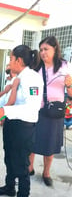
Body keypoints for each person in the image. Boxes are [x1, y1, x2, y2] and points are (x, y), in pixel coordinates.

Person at [0, 45, 43, 197]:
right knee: (9, 158)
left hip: (24, 127)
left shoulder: (32, 78)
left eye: (11, 58)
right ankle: (10, 186)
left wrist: (4, 110)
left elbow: (32, 108)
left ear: (19, 60)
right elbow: (6, 100)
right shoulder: (17, 78)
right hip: (11, 124)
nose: (9, 62)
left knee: (22, 166)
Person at [28, 36, 72, 186]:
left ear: (55, 49)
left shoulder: (65, 66)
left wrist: (69, 86)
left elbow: (71, 94)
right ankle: (29, 168)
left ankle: (46, 173)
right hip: (36, 109)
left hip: (55, 112)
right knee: (31, 141)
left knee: (50, 144)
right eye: (41, 50)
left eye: (46, 49)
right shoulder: (36, 67)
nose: (43, 52)